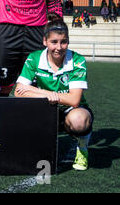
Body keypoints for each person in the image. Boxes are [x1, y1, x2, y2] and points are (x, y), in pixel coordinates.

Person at [15, 14, 93, 171]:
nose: (59, 47)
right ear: (45, 42)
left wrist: (37, 90)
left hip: (70, 111)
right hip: (46, 110)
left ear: (68, 42)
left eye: (63, 42)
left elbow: (74, 100)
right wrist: (46, 94)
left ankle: (82, 148)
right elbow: (19, 92)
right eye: (54, 42)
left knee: (79, 120)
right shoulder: (34, 58)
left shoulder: (77, 60)